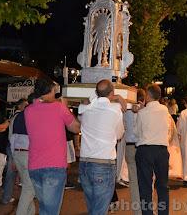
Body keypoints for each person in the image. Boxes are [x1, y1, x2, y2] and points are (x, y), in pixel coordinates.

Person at [25, 78, 80, 215]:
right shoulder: (59, 108)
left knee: (44, 208)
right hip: (54, 166)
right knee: (51, 211)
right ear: (50, 90)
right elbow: (76, 128)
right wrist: (65, 106)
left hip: (34, 166)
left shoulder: (28, 110)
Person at [78, 79, 125, 215]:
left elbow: (83, 108)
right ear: (112, 92)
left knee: (93, 207)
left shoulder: (85, 109)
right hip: (103, 164)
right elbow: (119, 134)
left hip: (84, 163)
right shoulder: (115, 110)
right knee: (99, 210)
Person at [134, 84, 170, 215]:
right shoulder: (164, 110)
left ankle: (147, 213)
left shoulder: (142, 112)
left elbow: (136, 132)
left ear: (148, 96)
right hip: (161, 150)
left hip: (145, 150)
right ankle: (163, 212)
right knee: (163, 186)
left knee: (145, 187)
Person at [9, 98, 36, 215]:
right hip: (28, 154)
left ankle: (30, 213)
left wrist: (13, 158)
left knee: (26, 186)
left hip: (18, 154)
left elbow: (12, 138)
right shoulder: (32, 116)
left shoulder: (16, 118)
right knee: (30, 188)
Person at [123, 89, 146, 215]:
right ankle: (147, 208)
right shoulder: (145, 111)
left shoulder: (126, 110)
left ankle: (137, 211)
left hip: (130, 146)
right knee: (147, 179)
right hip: (143, 147)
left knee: (134, 181)